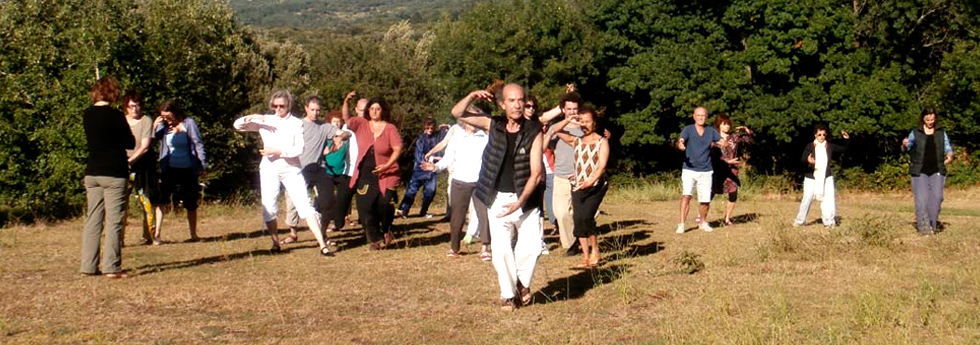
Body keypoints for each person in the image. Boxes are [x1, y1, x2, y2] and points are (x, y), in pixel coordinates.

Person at [452, 83, 544, 310]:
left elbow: (537, 173)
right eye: (511, 101)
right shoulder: (493, 124)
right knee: (501, 250)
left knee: (532, 248)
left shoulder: (534, 130)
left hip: (526, 200)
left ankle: (521, 282)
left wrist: (520, 202)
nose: (517, 105)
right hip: (497, 198)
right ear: (502, 104)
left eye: (521, 100)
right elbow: (457, 113)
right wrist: (472, 95)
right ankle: (508, 294)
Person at [233, 90, 333, 256]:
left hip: (291, 169)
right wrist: (251, 116)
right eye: (275, 106)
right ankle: (275, 242)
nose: (278, 109)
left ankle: (322, 245)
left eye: (282, 106)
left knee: (305, 206)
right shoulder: (266, 120)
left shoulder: (296, 123)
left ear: (289, 106)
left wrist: (277, 151)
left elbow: (299, 149)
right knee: (269, 207)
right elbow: (238, 126)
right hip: (269, 169)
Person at [80, 75, 134, 278]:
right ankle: (112, 267)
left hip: (92, 172)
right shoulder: (115, 116)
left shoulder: (87, 114)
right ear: (113, 92)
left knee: (93, 219)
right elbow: (129, 142)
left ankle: (88, 265)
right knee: (114, 221)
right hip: (114, 173)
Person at [282, 96, 348, 245]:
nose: (315, 113)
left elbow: (345, 133)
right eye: (312, 110)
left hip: (318, 169)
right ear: (306, 108)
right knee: (292, 202)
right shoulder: (298, 125)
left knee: (329, 202)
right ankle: (293, 233)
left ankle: (323, 234)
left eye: (318, 110)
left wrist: (340, 137)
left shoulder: (324, 127)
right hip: (299, 169)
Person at [550, 105, 610, 269]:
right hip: (577, 186)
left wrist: (589, 182)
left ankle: (595, 250)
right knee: (578, 220)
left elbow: (601, 167)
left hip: (596, 186)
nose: (584, 124)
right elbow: (554, 129)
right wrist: (568, 120)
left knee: (586, 217)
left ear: (594, 122)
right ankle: (585, 255)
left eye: (587, 121)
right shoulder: (576, 141)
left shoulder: (602, 142)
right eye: (581, 121)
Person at [342, 96, 404, 250]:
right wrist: (346, 102)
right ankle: (374, 239)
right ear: (368, 111)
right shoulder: (361, 124)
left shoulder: (390, 128)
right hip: (366, 173)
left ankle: (386, 229)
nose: (375, 111)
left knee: (384, 204)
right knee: (365, 206)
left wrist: (387, 165)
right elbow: (347, 119)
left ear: (383, 110)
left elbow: (397, 148)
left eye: (378, 108)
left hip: (387, 173)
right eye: (372, 109)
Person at [420, 121, 488, 257]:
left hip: (480, 183)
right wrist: (436, 167)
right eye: (471, 118)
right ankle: (454, 248)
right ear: (465, 121)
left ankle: (486, 248)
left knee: (484, 215)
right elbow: (447, 158)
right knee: (457, 217)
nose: (474, 121)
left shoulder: (486, 138)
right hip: (460, 182)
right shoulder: (456, 138)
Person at [152, 100, 206, 244]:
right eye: (163, 117)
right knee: (162, 199)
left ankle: (193, 234)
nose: (167, 120)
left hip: (188, 168)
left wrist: (202, 165)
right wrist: (154, 127)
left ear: (175, 113)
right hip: (169, 167)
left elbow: (198, 143)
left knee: (190, 202)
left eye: (168, 117)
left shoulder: (189, 123)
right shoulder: (163, 126)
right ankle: (157, 235)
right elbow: (152, 140)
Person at [538, 89, 582, 255]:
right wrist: (554, 130)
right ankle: (571, 244)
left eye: (575, 109)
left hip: (581, 177)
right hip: (561, 177)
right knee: (561, 213)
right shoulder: (555, 129)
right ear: (563, 110)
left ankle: (579, 241)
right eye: (569, 109)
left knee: (579, 213)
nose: (572, 113)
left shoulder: (584, 127)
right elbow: (542, 148)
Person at [902, 108, 953, 235]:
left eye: (932, 119)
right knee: (922, 200)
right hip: (919, 171)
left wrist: (950, 154)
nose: (930, 122)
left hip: (937, 169)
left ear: (935, 119)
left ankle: (932, 223)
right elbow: (907, 147)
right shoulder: (915, 132)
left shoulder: (941, 132)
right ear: (923, 119)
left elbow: (947, 147)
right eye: (927, 119)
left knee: (937, 198)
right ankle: (924, 229)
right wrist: (904, 144)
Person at [676, 107, 724, 233]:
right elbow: (681, 140)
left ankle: (702, 222)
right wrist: (680, 144)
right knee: (686, 195)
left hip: (706, 170)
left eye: (703, 115)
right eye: (698, 115)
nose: (700, 117)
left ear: (706, 117)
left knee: (705, 200)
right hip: (689, 169)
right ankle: (681, 224)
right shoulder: (688, 129)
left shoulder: (710, 131)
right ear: (694, 116)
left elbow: (721, 141)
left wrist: (722, 142)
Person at [793, 125, 849, 228]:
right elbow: (802, 159)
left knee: (829, 199)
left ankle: (829, 222)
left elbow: (843, 149)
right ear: (815, 135)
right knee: (807, 199)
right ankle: (800, 221)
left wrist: (846, 140)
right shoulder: (810, 146)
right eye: (819, 135)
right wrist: (808, 160)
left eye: (824, 134)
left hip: (827, 176)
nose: (822, 137)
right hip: (811, 176)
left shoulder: (830, 146)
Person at [121, 90, 156, 245]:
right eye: (131, 106)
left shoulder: (146, 120)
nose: (135, 109)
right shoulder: (121, 121)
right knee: (121, 203)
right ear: (126, 107)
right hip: (122, 167)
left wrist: (130, 161)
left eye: (137, 106)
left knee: (146, 200)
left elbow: (145, 146)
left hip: (142, 166)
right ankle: (119, 238)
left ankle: (149, 235)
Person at [710, 113, 753, 226]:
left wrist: (746, 130)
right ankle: (701, 215)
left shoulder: (734, 137)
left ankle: (727, 218)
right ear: (719, 125)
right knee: (711, 191)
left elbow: (749, 141)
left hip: (731, 170)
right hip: (717, 168)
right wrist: (726, 161)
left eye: (728, 124)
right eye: (724, 124)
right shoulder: (713, 138)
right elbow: (710, 154)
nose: (727, 126)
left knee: (733, 193)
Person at [397, 117, 445, 218]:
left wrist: (446, 127)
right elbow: (419, 156)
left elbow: (449, 134)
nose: (430, 130)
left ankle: (423, 212)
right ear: (424, 127)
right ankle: (403, 210)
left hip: (432, 170)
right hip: (420, 169)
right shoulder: (421, 139)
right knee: (412, 190)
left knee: (430, 191)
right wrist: (433, 158)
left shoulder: (438, 136)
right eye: (428, 128)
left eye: (432, 128)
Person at [323, 111, 355, 232]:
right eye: (334, 121)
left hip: (342, 172)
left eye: (338, 121)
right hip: (328, 172)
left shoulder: (346, 138)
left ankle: (340, 221)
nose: (336, 123)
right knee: (328, 198)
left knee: (343, 196)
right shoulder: (326, 137)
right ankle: (326, 222)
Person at [339, 91, 365, 228]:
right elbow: (345, 131)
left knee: (365, 202)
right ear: (356, 110)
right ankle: (339, 220)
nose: (363, 112)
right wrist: (346, 101)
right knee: (342, 203)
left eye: (366, 110)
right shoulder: (350, 124)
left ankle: (366, 223)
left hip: (366, 171)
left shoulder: (374, 126)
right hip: (349, 170)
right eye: (361, 110)